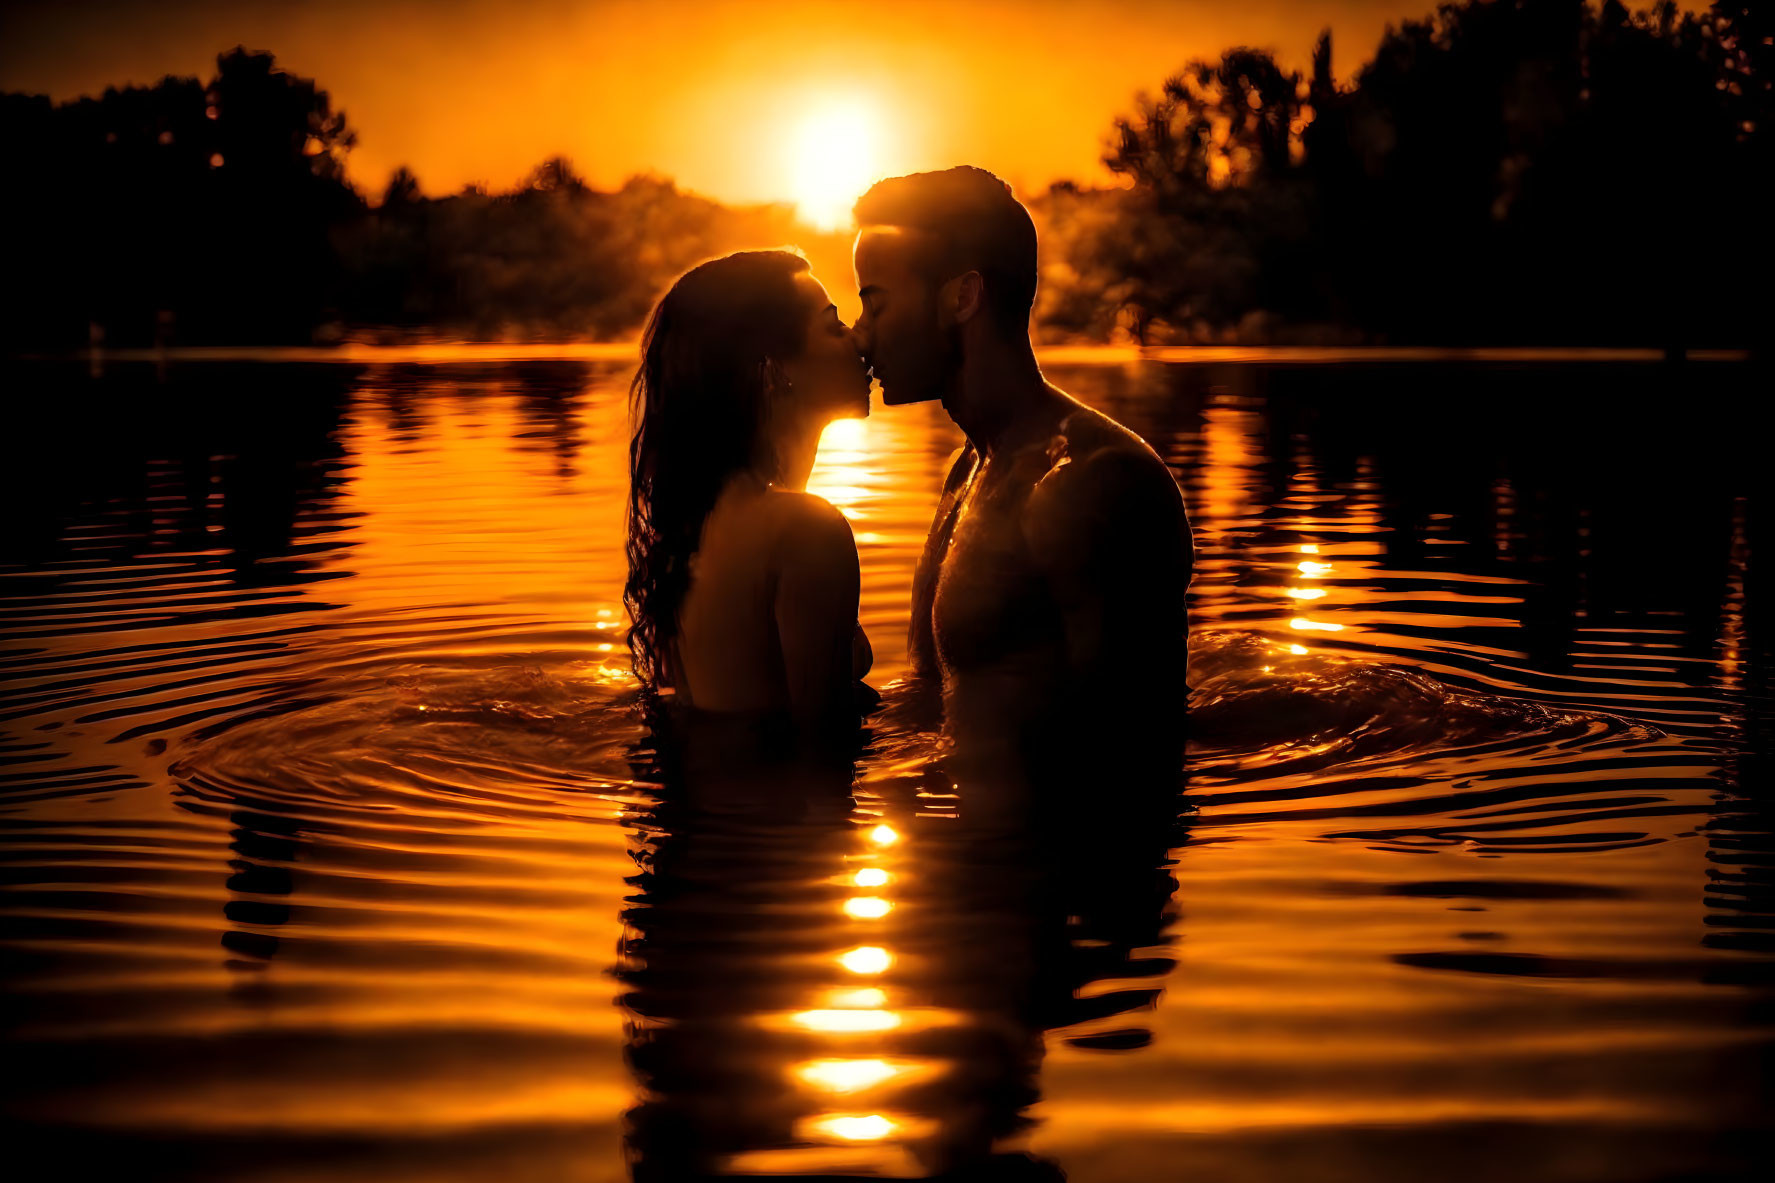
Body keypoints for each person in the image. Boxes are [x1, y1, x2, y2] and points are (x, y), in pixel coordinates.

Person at [851, 167, 1195, 791]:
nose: (859, 331)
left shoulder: (1093, 483)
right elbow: (931, 707)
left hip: (1048, 876)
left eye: (874, 301)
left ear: (962, 297)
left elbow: (1141, 745)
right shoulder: (969, 470)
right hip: (965, 863)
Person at [624, 250, 874, 764]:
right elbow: (824, 758)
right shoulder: (805, 531)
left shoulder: (697, 525)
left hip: (715, 827)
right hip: (778, 836)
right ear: (774, 371)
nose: (858, 339)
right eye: (832, 327)